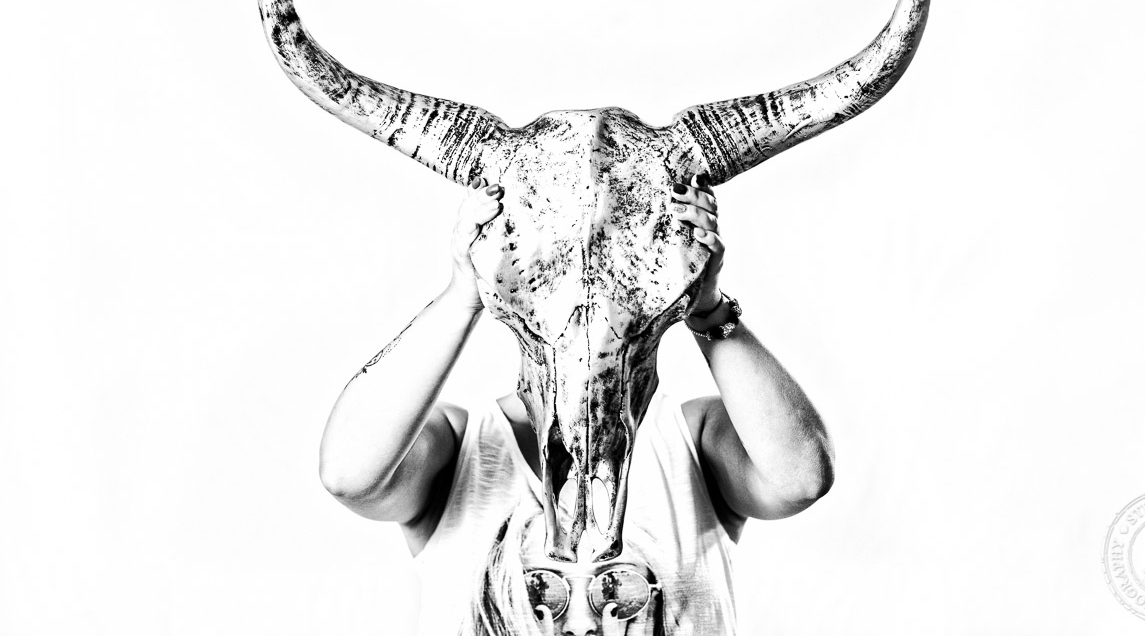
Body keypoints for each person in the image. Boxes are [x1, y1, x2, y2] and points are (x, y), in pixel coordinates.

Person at [318, 176, 834, 634]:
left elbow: (800, 478)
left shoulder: (693, 438)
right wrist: (464, 293)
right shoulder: (458, 448)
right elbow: (349, 473)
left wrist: (707, 308)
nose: (586, 315)